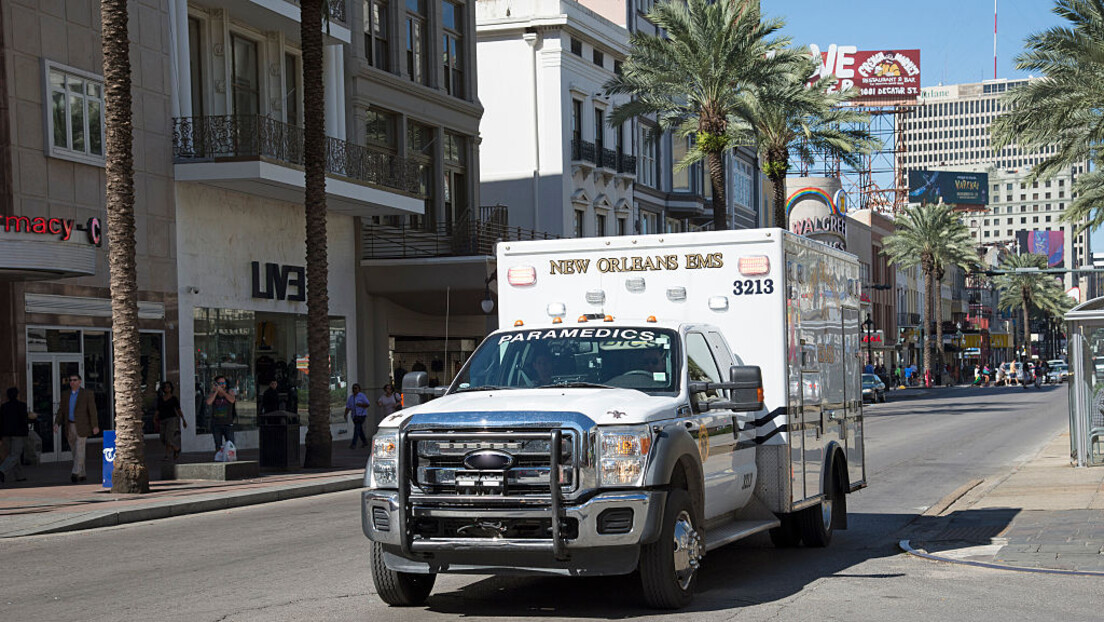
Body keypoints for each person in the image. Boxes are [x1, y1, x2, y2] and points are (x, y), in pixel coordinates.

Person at [53, 374, 98, 483]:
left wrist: (95, 425)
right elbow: (61, 411)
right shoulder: (66, 394)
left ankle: (75, 472)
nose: (72, 382)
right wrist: (56, 423)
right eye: (70, 380)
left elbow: (92, 410)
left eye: (74, 380)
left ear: (80, 381)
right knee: (75, 451)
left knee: (80, 448)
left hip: (82, 426)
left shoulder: (87, 394)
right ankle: (82, 473)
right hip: (69, 425)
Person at [0, 387, 30, 483]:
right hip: (18, 434)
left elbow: (1, 421)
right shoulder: (22, 406)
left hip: (6, 434)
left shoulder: (4, 406)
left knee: (12, 455)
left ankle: (19, 476)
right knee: (15, 455)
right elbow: (24, 420)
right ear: (17, 394)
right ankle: (2, 470)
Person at [156, 381, 187, 461]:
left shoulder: (174, 399)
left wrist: (183, 419)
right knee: (163, 438)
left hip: (172, 419)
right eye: (165, 387)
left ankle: (167, 455)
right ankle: (176, 449)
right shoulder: (160, 399)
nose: (167, 389)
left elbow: (178, 409)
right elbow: (158, 409)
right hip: (162, 419)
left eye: (168, 387)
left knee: (168, 438)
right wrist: (155, 418)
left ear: (171, 388)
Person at [205, 375, 236, 451]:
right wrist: (216, 391)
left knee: (230, 444)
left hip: (228, 423)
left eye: (223, 383)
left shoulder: (230, 392)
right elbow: (209, 402)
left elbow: (232, 400)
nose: (222, 385)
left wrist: (223, 392)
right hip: (216, 424)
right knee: (218, 445)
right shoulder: (213, 393)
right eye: (219, 383)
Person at [345, 384, 371, 449]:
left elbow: (367, 404)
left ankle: (353, 444)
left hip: (361, 415)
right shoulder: (351, 398)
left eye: (356, 388)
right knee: (359, 429)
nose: (354, 390)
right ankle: (365, 442)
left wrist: (361, 405)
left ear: (359, 389)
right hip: (354, 416)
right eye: (353, 388)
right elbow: (348, 407)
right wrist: (345, 414)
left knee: (357, 428)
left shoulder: (362, 396)